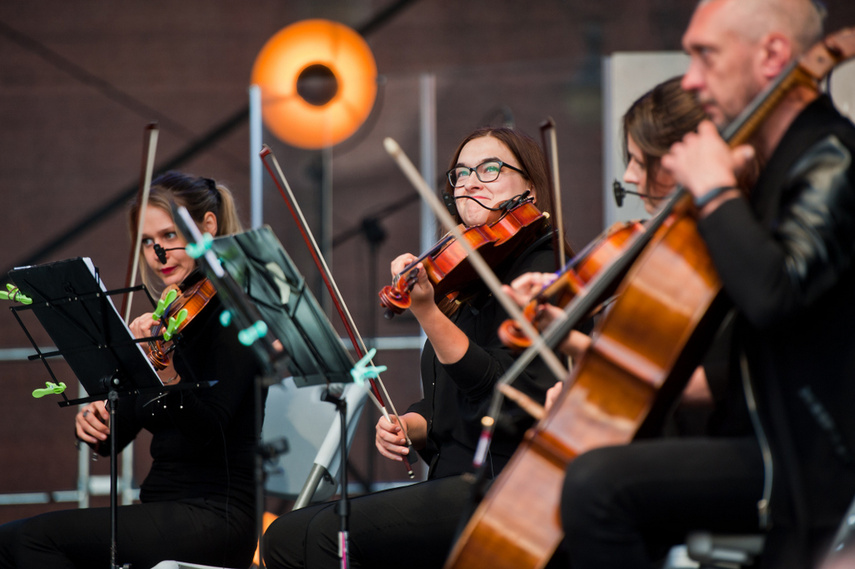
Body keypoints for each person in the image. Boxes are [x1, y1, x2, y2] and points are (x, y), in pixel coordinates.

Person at [556, 1, 855, 568]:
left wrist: (716, 192)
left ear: (772, 55)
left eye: (706, 55)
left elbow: (774, 297)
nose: (691, 78)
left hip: (804, 457)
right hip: (761, 437)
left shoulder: (832, 155)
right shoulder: (775, 161)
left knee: (596, 489)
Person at [262, 127, 565, 569]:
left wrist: (426, 312)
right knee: (284, 536)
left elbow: (500, 389)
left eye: (490, 169)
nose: (470, 182)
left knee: (322, 538)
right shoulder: (464, 277)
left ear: (530, 189)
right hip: (452, 479)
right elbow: (449, 401)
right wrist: (412, 424)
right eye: (461, 174)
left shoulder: (544, 267)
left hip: (506, 482)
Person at [0, 171, 264, 568]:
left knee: (28, 540)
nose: (159, 253)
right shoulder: (169, 320)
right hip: (162, 507)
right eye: (147, 241)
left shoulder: (237, 314)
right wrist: (97, 423)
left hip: (215, 515)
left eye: (170, 236)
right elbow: (116, 438)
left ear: (208, 227)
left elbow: (209, 431)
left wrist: (165, 373)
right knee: (13, 541)